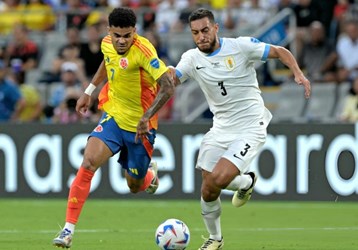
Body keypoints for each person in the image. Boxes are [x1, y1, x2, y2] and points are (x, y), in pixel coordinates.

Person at [169, 8, 311, 250]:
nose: (201, 36)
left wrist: (297, 73)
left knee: (219, 178)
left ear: (215, 28)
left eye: (205, 30)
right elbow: (173, 77)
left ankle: (242, 184)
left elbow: (279, 51)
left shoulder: (241, 46)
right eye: (195, 33)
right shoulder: (192, 58)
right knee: (208, 187)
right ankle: (217, 236)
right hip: (220, 128)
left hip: (250, 126)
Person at [52, 7, 175, 248]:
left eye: (127, 35)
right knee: (88, 163)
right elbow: (107, 63)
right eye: (117, 35)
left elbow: (168, 86)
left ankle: (148, 174)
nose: (121, 41)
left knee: (134, 185)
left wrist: (147, 116)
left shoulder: (144, 50)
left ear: (134, 32)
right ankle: (67, 231)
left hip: (141, 128)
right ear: (109, 31)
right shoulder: (107, 43)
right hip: (114, 118)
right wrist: (89, 91)